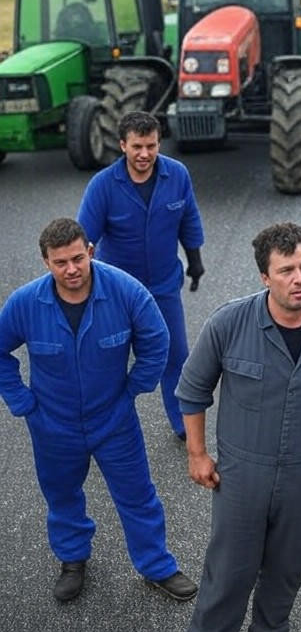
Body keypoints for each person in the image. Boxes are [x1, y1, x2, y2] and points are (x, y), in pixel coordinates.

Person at [176, 221, 301, 632]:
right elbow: (193, 391)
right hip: (242, 476)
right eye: (286, 270)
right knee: (228, 576)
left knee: (285, 575)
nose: (299, 278)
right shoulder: (229, 324)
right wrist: (197, 454)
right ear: (265, 277)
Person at [0, 218, 197, 603]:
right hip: (52, 426)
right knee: (62, 495)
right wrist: (22, 402)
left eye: (78, 258)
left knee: (138, 495)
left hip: (114, 420)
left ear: (89, 251)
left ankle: (156, 565)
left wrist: (135, 388)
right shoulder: (25, 304)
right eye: (61, 263)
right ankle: (73, 560)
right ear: (46, 262)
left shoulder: (125, 291)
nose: (71, 269)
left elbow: (157, 341)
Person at [78, 111, 205, 440]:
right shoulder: (103, 186)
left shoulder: (177, 175)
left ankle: (182, 423)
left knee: (175, 354)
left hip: (163, 286)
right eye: (137, 146)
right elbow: (84, 240)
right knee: (107, 359)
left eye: (151, 146)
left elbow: (188, 218)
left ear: (159, 143)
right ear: (123, 145)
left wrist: (195, 260)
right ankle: (98, 421)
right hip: (116, 292)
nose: (145, 154)